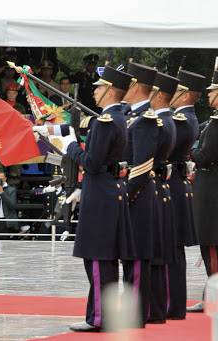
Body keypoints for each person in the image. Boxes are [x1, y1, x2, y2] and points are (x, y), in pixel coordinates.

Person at [47, 66, 134, 332]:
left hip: (100, 194)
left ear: (109, 90)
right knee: (105, 259)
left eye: (98, 87)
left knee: (97, 258)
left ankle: (99, 317)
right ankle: (103, 314)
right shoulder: (119, 118)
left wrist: (69, 146)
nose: (94, 91)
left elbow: (93, 163)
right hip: (109, 190)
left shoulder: (106, 121)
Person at [120, 62, 159, 326]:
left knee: (135, 257)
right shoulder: (133, 115)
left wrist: (124, 195)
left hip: (138, 195)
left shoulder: (145, 119)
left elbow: (142, 166)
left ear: (135, 87)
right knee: (130, 257)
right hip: (135, 193)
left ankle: (136, 313)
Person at [166, 69, 206, 320]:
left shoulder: (182, 120)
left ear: (185, 94)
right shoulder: (187, 119)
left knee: (170, 250)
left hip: (172, 185)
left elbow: (166, 153)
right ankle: (173, 303)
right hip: (177, 185)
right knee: (172, 250)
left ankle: (172, 303)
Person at [149, 71, 179, 322]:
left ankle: (155, 309)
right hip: (161, 188)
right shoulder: (166, 120)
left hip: (153, 189)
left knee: (154, 255)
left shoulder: (161, 121)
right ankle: (157, 308)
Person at [187, 69, 218, 313]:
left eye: (213, 92)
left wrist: (190, 152)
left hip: (211, 191)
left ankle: (213, 296)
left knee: (211, 247)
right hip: (210, 187)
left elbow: (205, 156)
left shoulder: (216, 125)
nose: (209, 96)